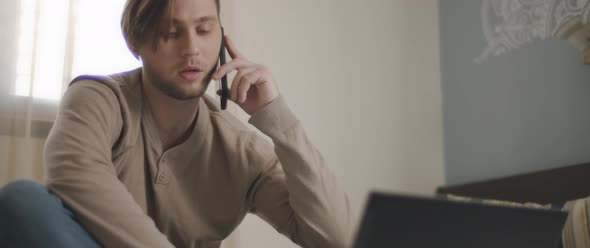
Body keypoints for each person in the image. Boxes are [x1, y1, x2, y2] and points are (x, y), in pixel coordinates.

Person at [0, 0, 351, 247]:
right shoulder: (100, 98)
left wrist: (277, 114)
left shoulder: (243, 151)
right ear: (136, 41)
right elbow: (73, 177)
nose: (191, 49)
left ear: (222, 39)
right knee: (22, 200)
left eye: (204, 30)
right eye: (171, 32)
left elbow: (334, 237)